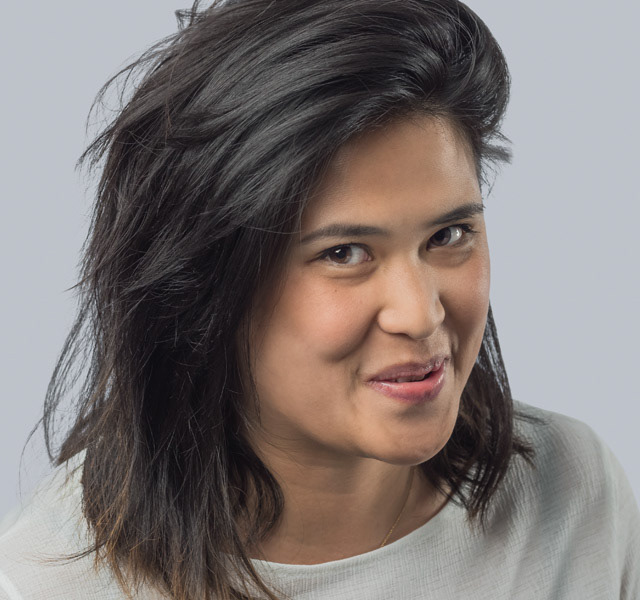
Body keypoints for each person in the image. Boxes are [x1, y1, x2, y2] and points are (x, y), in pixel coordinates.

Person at [0, 0, 638, 598]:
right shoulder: (51, 581)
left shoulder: (575, 499)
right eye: (344, 253)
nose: (420, 314)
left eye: (448, 236)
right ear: (206, 286)